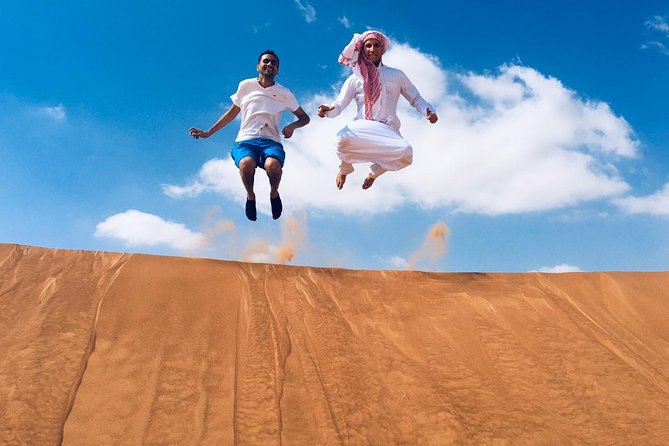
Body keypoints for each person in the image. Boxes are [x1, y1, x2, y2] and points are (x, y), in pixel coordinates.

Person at [189, 50, 310, 221]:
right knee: (246, 164)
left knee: (273, 166)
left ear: (277, 70)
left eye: (274, 63)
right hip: (246, 141)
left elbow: (305, 118)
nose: (270, 64)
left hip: (271, 142)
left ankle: (274, 193)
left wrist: (292, 126)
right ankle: (250, 197)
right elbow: (231, 113)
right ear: (258, 66)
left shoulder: (284, 93)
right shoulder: (245, 86)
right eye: (266, 61)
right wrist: (208, 132)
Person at [317, 31, 438, 190]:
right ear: (362, 49)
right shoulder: (355, 78)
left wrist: (428, 112)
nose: (372, 49)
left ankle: (373, 173)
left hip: (387, 128)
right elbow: (339, 104)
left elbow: (415, 98)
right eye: (368, 45)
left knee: (406, 154)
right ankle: (344, 169)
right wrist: (327, 110)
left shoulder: (396, 75)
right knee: (341, 140)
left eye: (376, 45)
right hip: (362, 126)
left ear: (383, 49)